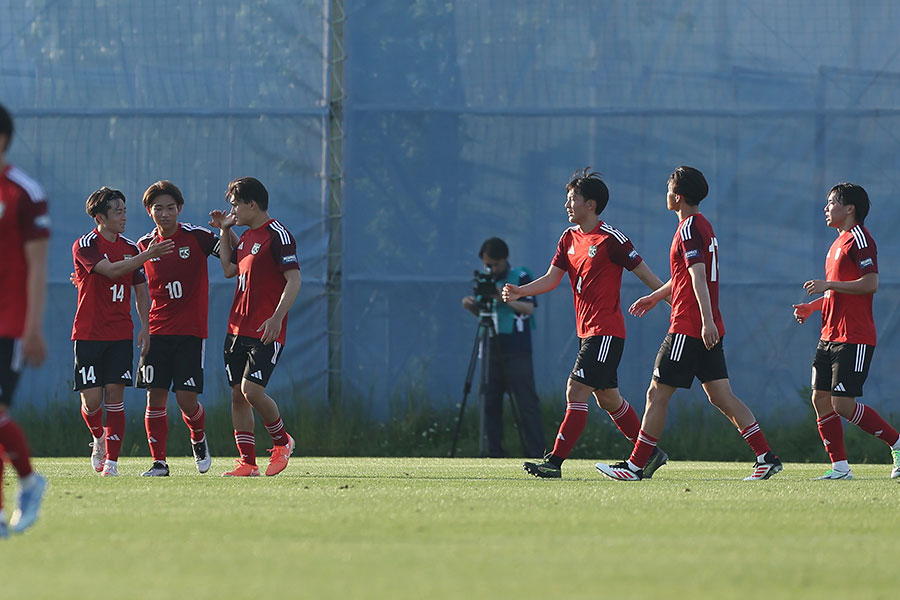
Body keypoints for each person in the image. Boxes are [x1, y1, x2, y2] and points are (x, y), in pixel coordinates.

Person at [595, 166, 782, 481]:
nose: (666, 193)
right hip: (705, 326)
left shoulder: (688, 229)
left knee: (656, 394)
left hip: (689, 327)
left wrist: (705, 321)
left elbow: (698, 276)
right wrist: (657, 296)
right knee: (721, 396)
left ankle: (636, 466)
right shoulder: (702, 225)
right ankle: (766, 456)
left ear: (678, 196)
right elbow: (686, 275)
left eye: (669, 188)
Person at [503, 168, 668, 479]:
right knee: (608, 399)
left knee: (576, 389)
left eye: (572, 199)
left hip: (606, 333)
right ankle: (649, 453)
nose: (567, 205)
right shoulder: (568, 238)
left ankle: (554, 462)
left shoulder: (611, 239)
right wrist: (521, 291)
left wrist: (673, 302)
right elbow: (552, 279)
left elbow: (647, 275)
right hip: (587, 333)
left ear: (590, 204)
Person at [792, 183, 900, 480]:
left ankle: (897, 443)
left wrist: (828, 284)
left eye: (831, 203)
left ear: (849, 208)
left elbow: (871, 283)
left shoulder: (860, 239)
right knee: (820, 399)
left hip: (854, 336)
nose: (826, 208)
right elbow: (836, 293)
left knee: (842, 404)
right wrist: (812, 307)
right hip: (829, 336)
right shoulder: (836, 244)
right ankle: (840, 467)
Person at [134, 180, 234, 476]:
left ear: (179, 208)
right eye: (158, 208)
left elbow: (233, 256)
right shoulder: (143, 245)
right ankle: (159, 462)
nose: (164, 214)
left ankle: (198, 437)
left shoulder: (197, 236)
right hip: (156, 331)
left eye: (170, 207)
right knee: (154, 396)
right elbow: (127, 277)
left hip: (190, 332)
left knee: (186, 400)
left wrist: (226, 229)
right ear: (149, 211)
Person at [72, 187, 174, 477]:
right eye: (118, 212)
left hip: (119, 334)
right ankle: (99, 438)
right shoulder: (85, 244)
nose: (124, 217)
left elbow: (140, 291)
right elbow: (112, 271)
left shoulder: (131, 248)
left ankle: (112, 464)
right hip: (88, 333)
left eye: (125, 211)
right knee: (91, 402)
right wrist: (148, 255)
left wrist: (145, 326)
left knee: (115, 397)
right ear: (100, 217)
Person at [208, 177, 301, 477]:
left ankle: (282, 442)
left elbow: (294, 280)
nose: (232, 210)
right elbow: (228, 269)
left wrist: (277, 317)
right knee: (238, 395)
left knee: (252, 391)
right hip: (236, 328)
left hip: (265, 330)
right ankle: (247, 463)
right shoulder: (246, 236)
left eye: (235, 204)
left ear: (252, 204)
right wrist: (225, 230)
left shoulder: (278, 235)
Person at [0, 102, 48, 535]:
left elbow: (37, 265)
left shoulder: (24, 193)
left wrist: (32, 328)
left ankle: (30, 483)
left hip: (9, 323)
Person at [461, 237, 546, 458]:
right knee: (490, 401)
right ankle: (494, 452)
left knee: (526, 403)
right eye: (487, 265)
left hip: (517, 349)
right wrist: (472, 306)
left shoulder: (520, 276)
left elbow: (529, 308)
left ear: (504, 259)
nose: (491, 269)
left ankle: (537, 452)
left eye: (495, 264)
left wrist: (503, 298)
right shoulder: (485, 281)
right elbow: (484, 313)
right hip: (490, 347)